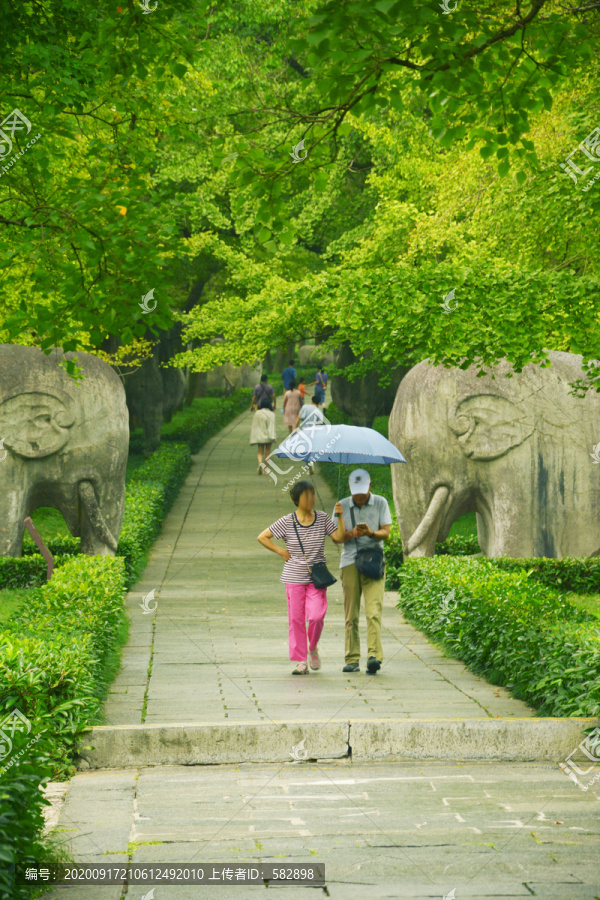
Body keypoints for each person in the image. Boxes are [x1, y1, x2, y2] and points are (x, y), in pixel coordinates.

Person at [258, 481, 345, 674]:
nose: (312, 498)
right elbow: (262, 536)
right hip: (293, 577)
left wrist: (339, 516)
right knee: (296, 620)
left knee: (316, 617)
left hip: (317, 578)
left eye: (313, 494)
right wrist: (281, 551)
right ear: (298, 500)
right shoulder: (287, 521)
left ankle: (312, 647)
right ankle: (301, 661)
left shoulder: (322, 518)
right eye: (307, 495)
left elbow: (339, 537)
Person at [334, 468, 392, 674]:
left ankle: (374, 655)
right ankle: (351, 658)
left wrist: (370, 533)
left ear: (370, 486)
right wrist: (349, 529)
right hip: (350, 561)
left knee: (373, 610)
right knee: (351, 614)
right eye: (355, 491)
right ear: (350, 487)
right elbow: (337, 538)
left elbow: (386, 532)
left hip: (374, 561)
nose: (359, 496)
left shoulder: (380, 503)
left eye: (363, 490)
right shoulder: (342, 505)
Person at [250, 392, 276, 475]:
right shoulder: (272, 414)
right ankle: (266, 469)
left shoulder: (257, 413)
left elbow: (255, 425)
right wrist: (273, 437)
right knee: (268, 451)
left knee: (260, 451)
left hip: (260, 436)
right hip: (268, 436)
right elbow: (272, 426)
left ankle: (260, 464)